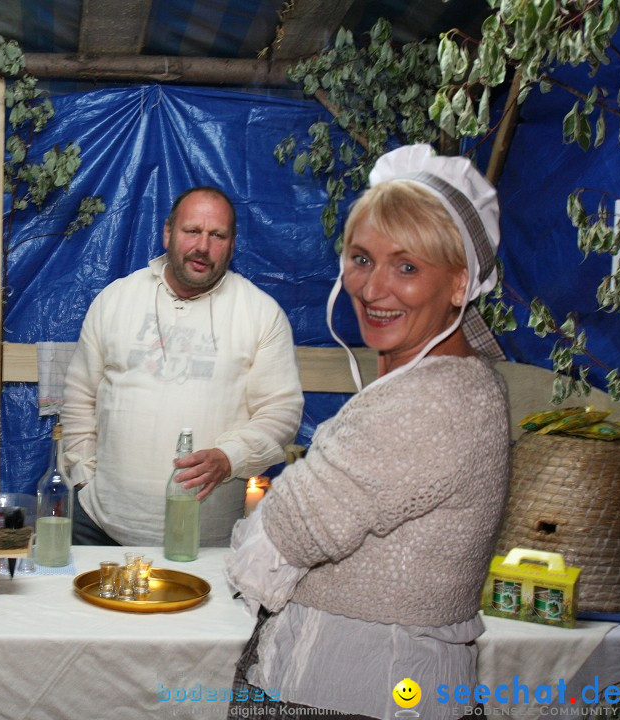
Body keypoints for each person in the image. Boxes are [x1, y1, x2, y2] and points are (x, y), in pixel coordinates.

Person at [225, 145, 511, 720]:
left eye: (407, 267)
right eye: (361, 258)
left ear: (460, 284)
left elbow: (282, 536)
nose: (373, 288)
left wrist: (281, 508)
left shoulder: (430, 401)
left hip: (350, 693)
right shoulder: (452, 382)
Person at [61, 186, 304, 547]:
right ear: (168, 233)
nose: (202, 247)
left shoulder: (260, 314)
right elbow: (80, 396)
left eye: (217, 235)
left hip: (203, 541)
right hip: (99, 526)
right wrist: (82, 475)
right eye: (192, 231)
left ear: (232, 245)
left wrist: (229, 457)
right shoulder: (116, 300)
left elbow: (281, 412)